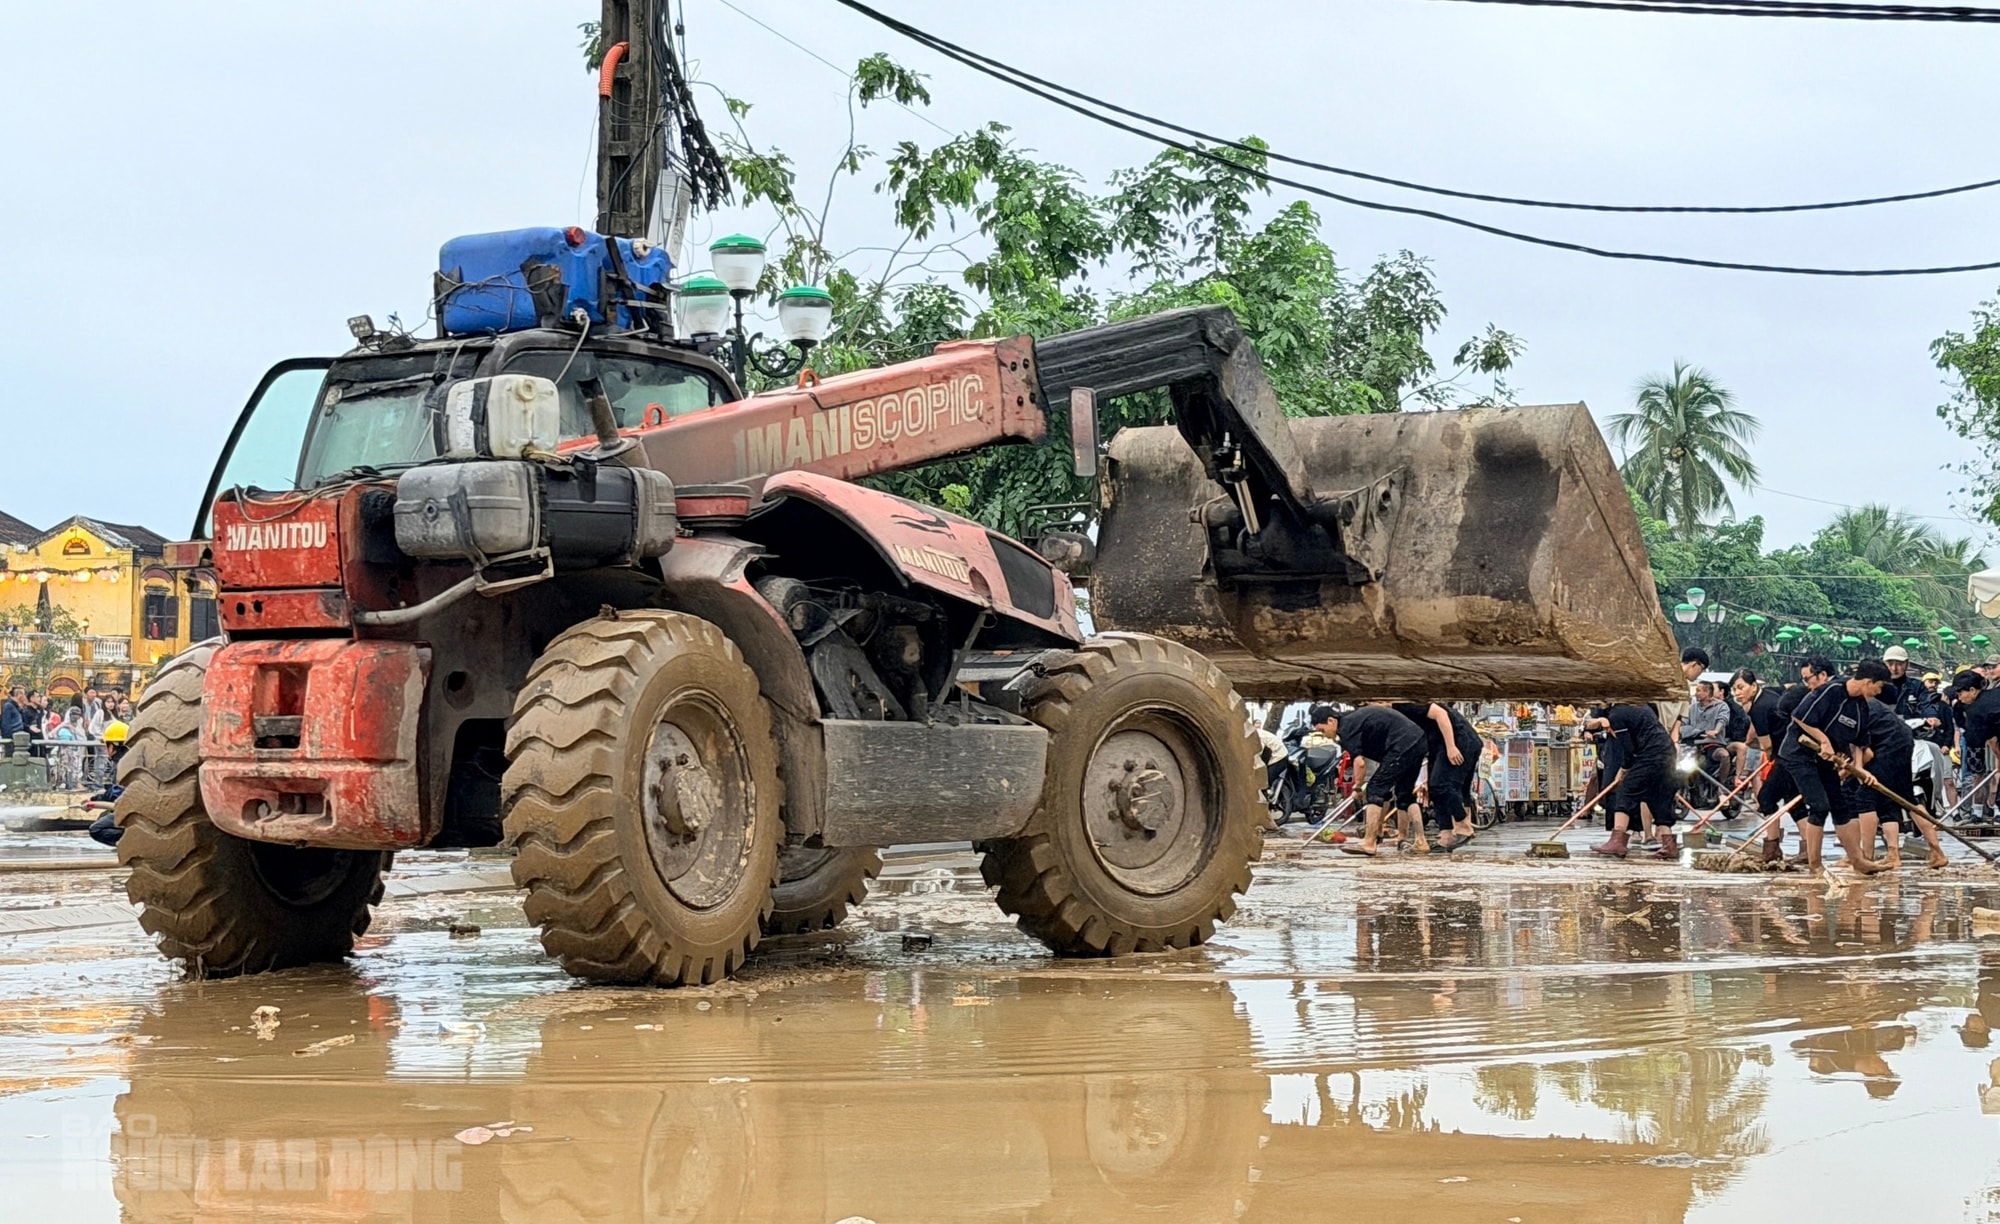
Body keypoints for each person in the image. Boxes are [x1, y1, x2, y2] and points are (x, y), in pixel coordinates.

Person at [1781, 660, 1893, 874]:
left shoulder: (1861, 707)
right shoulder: (1832, 690)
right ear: (1869, 682)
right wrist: (1823, 740)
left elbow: (1860, 742)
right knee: (1820, 806)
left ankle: (1858, 860)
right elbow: (1800, 716)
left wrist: (1860, 770)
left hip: (1826, 759)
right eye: (1878, 687)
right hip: (1800, 755)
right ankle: (1815, 865)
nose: (1878, 692)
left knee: (1840, 807)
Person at [1848, 695, 1949, 871]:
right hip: (1904, 741)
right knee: (1904, 799)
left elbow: (1866, 752)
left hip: (1887, 747)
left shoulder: (1849, 707)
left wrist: (1852, 769)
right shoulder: (1863, 704)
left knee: (1865, 797)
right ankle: (1929, 852)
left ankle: (1866, 857)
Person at [1318, 703, 1430, 856]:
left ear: (1331, 721)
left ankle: (1369, 842)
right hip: (1418, 740)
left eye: (1321, 730)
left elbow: (1360, 763)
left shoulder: (1346, 729)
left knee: (1375, 788)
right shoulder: (1353, 719)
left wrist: (1357, 788)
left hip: (1403, 743)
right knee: (1404, 793)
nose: (1323, 734)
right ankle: (1421, 841)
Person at [1387, 700, 1484, 852]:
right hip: (1439, 743)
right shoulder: (1392, 714)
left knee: (1441, 784)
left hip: (1458, 739)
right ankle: (1446, 835)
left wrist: (1451, 747)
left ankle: (1463, 825)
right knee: (1437, 789)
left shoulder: (1402, 703)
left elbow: (1440, 714)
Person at [1585, 702, 1677, 859]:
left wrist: (1624, 769)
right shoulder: (1640, 705)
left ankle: (1617, 841)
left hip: (1650, 755)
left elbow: (1627, 747)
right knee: (1658, 795)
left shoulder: (1617, 714)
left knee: (1626, 791)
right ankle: (1669, 845)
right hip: (1667, 751)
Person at [1679, 680, 1733, 808]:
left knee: (1724, 755)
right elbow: (1683, 725)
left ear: (1708, 692)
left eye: (1699, 690)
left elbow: (1723, 720)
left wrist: (1716, 731)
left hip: (1713, 744)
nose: (1696, 693)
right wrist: (1698, 732)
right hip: (1692, 745)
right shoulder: (1691, 708)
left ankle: (1721, 787)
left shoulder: (1722, 706)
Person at [0, 685, 23, 757]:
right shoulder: (9, 706)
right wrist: (8, 739)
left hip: (18, 738)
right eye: (23, 694)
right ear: (18, 695)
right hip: (11, 739)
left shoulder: (16, 707)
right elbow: (5, 724)